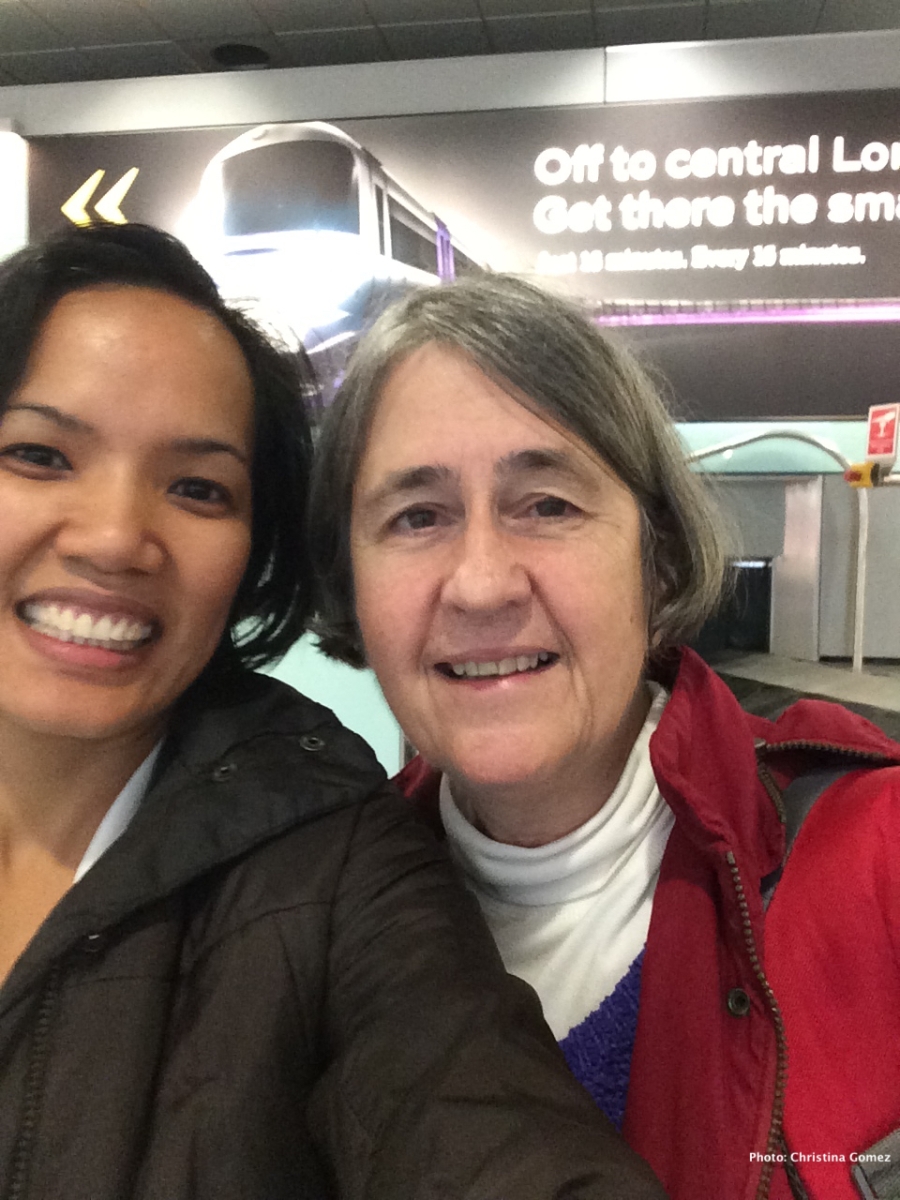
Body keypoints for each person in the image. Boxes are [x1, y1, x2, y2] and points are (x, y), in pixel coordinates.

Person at [0, 225, 667, 1200]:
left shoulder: (332, 860)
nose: (113, 538)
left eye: (197, 487)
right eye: (38, 454)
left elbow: (466, 1110)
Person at [309, 272, 900, 1200]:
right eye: (417, 517)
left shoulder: (875, 854)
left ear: (655, 559)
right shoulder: (308, 928)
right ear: (351, 585)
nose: (482, 585)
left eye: (547, 504)